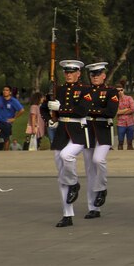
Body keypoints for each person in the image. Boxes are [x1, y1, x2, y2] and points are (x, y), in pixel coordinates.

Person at [49, 60, 92, 227]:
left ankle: (74, 183)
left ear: (78, 73)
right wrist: (50, 117)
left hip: (79, 132)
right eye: (66, 72)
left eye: (72, 72)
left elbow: (83, 110)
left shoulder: (85, 90)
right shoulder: (58, 90)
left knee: (67, 155)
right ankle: (67, 214)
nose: (68, 74)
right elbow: (46, 108)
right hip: (61, 133)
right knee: (61, 176)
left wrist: (61, 109)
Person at [81, 62, 119, 219]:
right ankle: (93, 207)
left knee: (98, 160)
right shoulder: (85, 91)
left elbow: (111, 112)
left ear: (104, 75)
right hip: (87, 130)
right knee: (89, 170)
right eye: (92, 75)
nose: (95, 77)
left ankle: (102, 187)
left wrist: (90, 110)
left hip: (103, 131)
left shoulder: (111, 92)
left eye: (98, 74)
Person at [0, 85, 24, 150]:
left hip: (7, 121)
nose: (5, 91)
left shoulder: (13, 101)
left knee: (6, 138)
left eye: (7, 90)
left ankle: (6, 152)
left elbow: (22, 110)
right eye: (4, 90)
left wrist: (14, 118)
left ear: (10, 92)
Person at [115, 84, 134, 150]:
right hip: (120, 123)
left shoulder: (129, 98)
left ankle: (130, 156)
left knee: (130, 143)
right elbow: (116, 112)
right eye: (118, 91)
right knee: (120, 142)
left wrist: (121, 111)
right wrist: (127, 109)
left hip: (130, 122)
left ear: (123, 90)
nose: (120, 92)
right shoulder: (115, 100)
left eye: (121, 90)